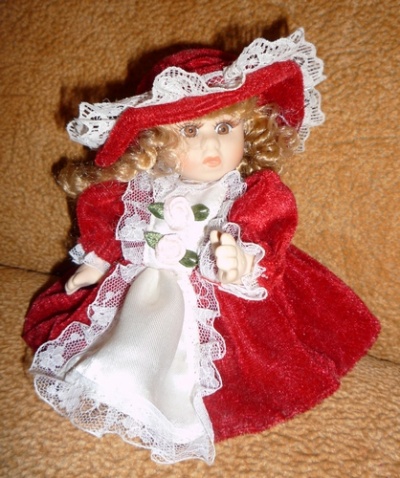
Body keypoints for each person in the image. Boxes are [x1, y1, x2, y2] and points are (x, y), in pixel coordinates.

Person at [23, 29, 380, 464]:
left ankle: (184, 407)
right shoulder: (138, 188)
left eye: (225, 127)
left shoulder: (251, 194)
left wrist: (240, 259)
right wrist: (95, 263)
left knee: (217, 363)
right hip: (141, 287)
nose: (212, 145)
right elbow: (111, 227)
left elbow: (264, 232)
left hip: (224, 301)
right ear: (153, 141)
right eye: (190, 130)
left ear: (250, 130)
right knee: (119, 343)